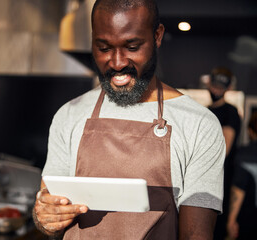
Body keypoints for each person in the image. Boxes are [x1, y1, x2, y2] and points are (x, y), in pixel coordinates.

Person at [33, 0, 225, 239]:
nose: (117, 62)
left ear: (157, 36)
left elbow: (196, 235)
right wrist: (45, 218)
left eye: (132, 47)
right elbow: (49, 211)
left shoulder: (199, 125)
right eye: (103, 48)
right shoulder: (69, 114)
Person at [207, 67, 242, 240]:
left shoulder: (231, 112)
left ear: (228, 89)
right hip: (203, 179)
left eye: (220, 87)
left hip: (221, 181)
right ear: (209, 83)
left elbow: (224, 149)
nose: (216, 90)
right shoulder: (205, 111)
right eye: (214, 86)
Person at [227, 112, 257, 240]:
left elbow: (238, 189)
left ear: (250, 131)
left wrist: (231, 221)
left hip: (250, 222)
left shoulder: (245, 154)